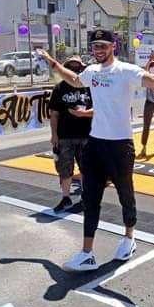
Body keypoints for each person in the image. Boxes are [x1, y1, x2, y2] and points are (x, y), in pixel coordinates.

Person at [37, 29, 154, 272]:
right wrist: (53, 62)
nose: (98, 50)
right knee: (91, 198)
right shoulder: (91, 71)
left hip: (120, 145)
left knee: (125, 194)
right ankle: (87, 253)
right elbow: (75, 80)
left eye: (103, 46)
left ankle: (129, 237)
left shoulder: (126, 71)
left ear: (113, 47)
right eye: (95, 46)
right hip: (95, 144)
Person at [49, 56, 93, 213]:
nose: (75, 70)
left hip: (86, 135)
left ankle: (84, 198)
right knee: (64, 169)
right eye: (71, 67)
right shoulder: (59, 88)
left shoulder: (89, 87)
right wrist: (54, 135)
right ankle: (66, 198)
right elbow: (54, 114)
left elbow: (99, 110)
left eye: (78, 67)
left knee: (86, 168)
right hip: (65, 136)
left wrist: (85, 114)